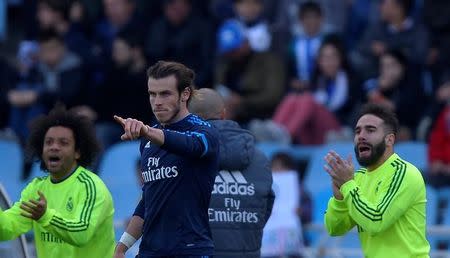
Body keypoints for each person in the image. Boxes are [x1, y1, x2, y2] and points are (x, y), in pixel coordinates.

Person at [113, 61, 220, 258]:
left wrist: (147, 131)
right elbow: (148, 201)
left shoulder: (204, 131)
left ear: (185, 94)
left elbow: (192, 146)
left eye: (165, 94)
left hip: (191, 251)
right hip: (150, 252)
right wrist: (122, 247)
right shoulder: (147, 142)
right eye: (152, 94)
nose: (157, 101)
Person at [0, 105, 115, 258]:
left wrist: (45, 216)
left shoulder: (91, 186)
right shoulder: (36, 188)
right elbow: (6, 229)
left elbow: (81, 233)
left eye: (63, 143)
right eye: (48, 142)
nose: (54, 147)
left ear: (78, 152)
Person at [324, 103, 430, 257]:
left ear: (389, 140)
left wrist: (347, 185)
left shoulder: (405, 173)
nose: (361, 136)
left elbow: (376, 220)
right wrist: (339, 198)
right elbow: (334, 228)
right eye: (357, 131)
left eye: (370, 130)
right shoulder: (357, 178)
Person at [188, 88, 274, 258]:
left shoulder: (183, 155)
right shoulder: (260, 159)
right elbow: (265, 210)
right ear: (223, 114)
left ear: (190, 118)